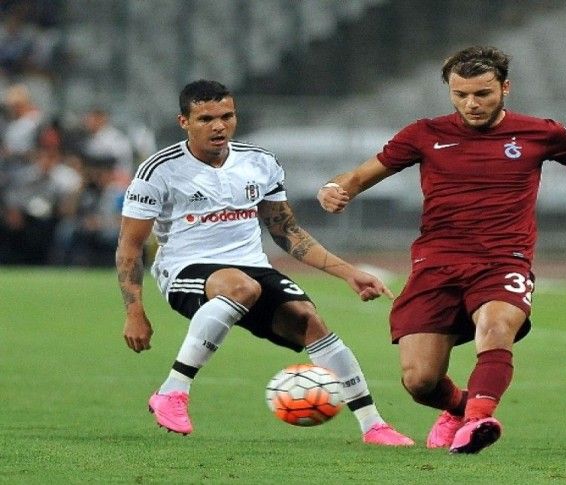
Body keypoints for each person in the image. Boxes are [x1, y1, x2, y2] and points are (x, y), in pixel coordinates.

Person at [317, 46, 566, 454]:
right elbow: (360, 175)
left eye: (482, 94)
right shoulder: (424, 134)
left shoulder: (542, 133)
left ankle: (477, 423)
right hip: (436, 263)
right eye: (461, 94)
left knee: (497, 327)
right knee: (420, 381)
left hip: (503, 260)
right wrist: (334, 188)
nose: (472, 104)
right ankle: (459, 409)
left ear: (505, 88)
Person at [116, 80, 413, 446]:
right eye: (206, 119)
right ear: (184, 122)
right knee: (241, 287)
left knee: (309, 321)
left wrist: (350, 273)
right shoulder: (158, 171)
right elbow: (129, 246)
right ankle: (172, 391)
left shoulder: (260, 162)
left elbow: (286, 231)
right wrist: (134, 312)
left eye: (227, 116)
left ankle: (373, 426)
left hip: (252, 268)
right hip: (185, 268)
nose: (219, 126)